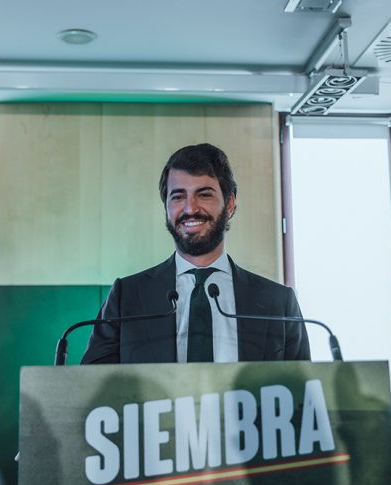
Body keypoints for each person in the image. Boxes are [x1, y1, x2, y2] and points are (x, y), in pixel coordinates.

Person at [81, 143, 310, 364]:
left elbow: (302, 391)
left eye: (204, 195)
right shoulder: (126, 297)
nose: (190, 209)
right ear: (167, 207)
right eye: (178, 196)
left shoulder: (279, 302)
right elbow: (93, 389)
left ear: (229, 204)